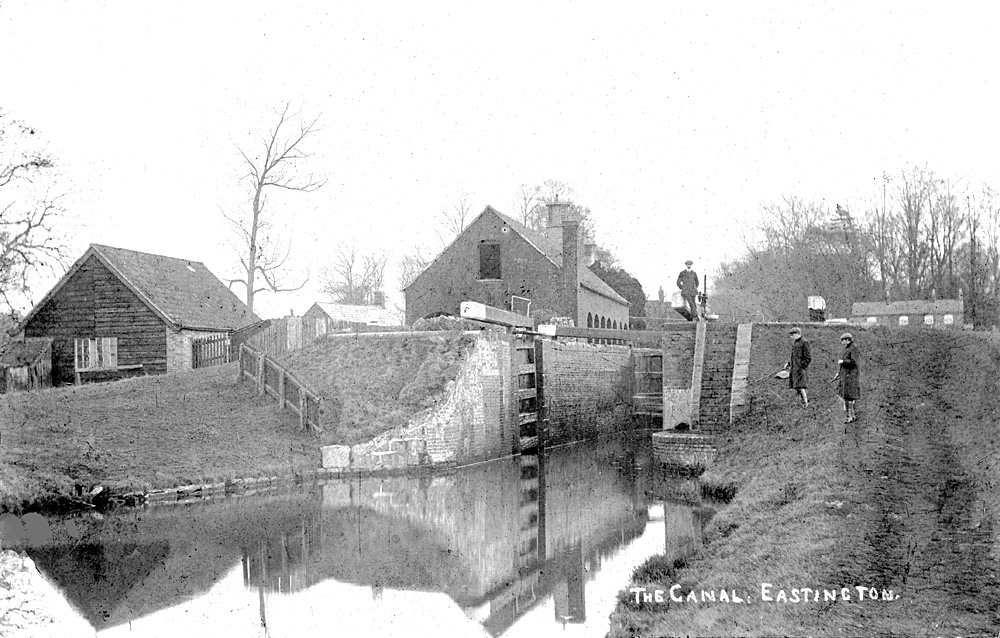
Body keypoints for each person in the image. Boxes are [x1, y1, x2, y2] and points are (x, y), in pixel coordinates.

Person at [833, 332, 860, 423]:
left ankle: (850, 417)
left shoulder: (853, 348)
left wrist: (843, 362)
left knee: (848, 397)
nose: (842, 342)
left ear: (848, 340)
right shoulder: (848, 348)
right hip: (845, 375)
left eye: (843, 340)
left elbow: (853, 362)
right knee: (848, 397)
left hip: (850, 375)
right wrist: (839, 373)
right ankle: (852, 415)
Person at [785, 326, 811, 406]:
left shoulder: (804, 342)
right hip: (795, 368)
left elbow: (808, 357)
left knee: (801, 386)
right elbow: (794, 356)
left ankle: (805, 403)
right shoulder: (795, 343)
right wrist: (789, 364)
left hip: (800, 369)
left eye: (792, 335)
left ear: (797, 334)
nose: (791, 337)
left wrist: (802, 366)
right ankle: (799, 403)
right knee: (796, 386)